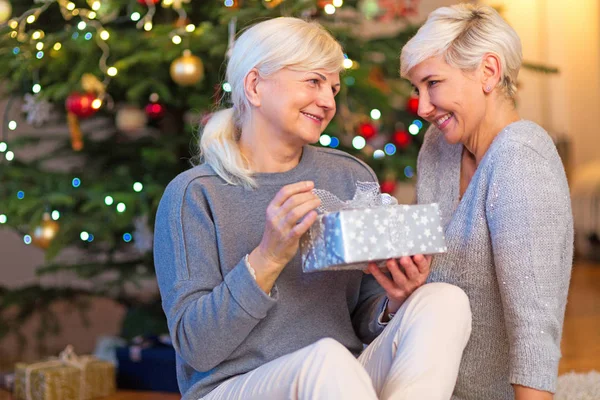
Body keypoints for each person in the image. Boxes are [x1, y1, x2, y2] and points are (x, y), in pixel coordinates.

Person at [154, 17, 471, 400]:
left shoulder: (348, 175)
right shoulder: (194, 195)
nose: (328, 102)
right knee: (325, 358)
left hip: (343, 380)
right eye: (313, 81)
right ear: (255, 86)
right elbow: (197, 347)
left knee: (444, 300)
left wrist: (393, 303)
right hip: (233, 387)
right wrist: (267, 258)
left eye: (333, 88)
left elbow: (361, 314)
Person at [400, 4, 573, 400]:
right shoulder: (438, 149)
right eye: (417, 89)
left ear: (488, 72)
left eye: (433, 83)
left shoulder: (520, 157)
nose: (423, 107)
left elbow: (535, 328)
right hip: (422, 376)